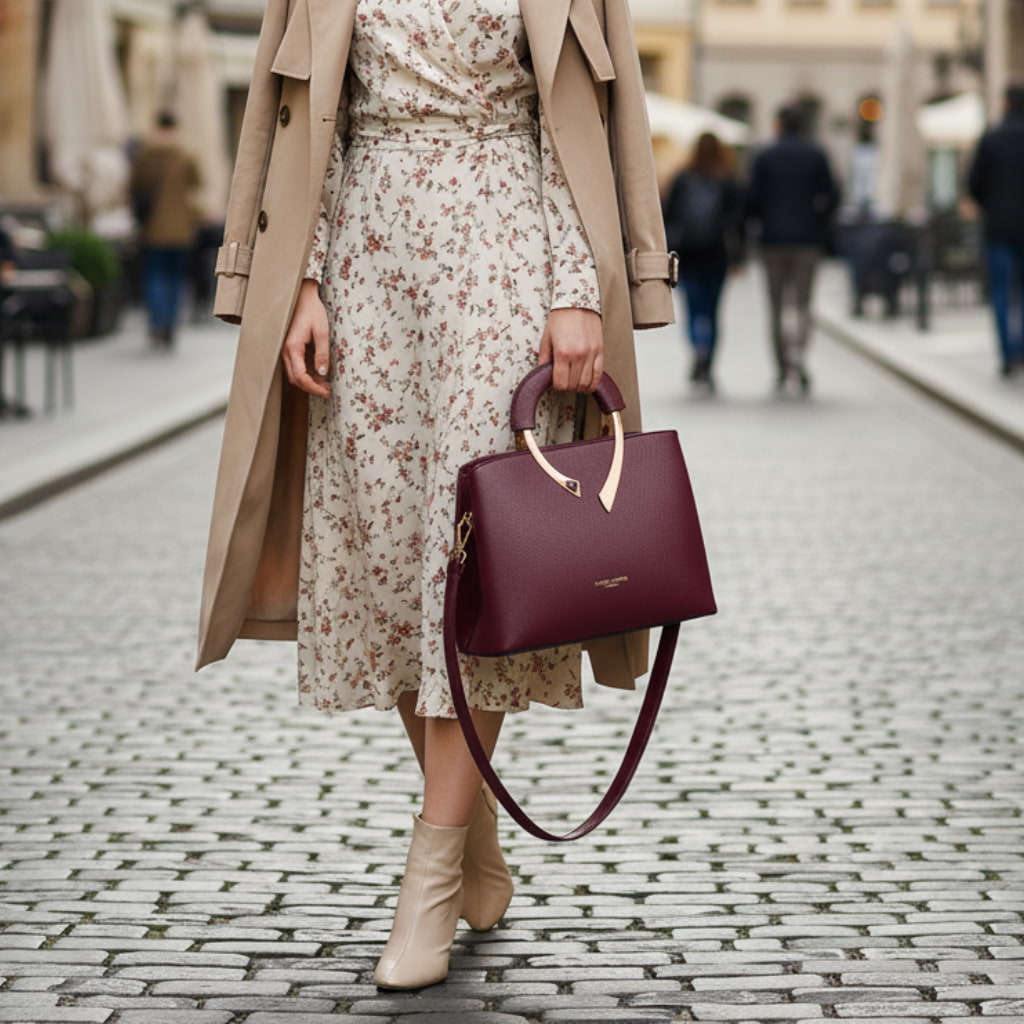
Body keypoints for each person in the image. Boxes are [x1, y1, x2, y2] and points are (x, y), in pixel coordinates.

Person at [196, 0, 675, 992]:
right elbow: (305, 122)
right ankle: (477, 838)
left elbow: (579, 122)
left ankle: (430, 870)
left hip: (507, 258)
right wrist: (300, 281)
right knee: (387, 556)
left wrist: (578, 286)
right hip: (366, 267)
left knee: (474, 566)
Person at [746, 103, 839, 394]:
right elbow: (834, 194)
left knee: (776, 305)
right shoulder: (816, 155)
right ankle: (798, 350)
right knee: (802, 302)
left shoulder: (764, 156)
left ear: (779, 124)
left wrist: (757, 224)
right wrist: (817, 218)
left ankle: (781, 365)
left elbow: (751, 199)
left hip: (772, 240)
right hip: (808, 240)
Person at [663, 132, 743, 392]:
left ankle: (698, 348)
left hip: (689, 253)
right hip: (717, 254)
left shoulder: (683, 178)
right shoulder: (727, 179)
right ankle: (707, 362)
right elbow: (738, 221)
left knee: (694, 309)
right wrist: (739, 256)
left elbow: (667, 216)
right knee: (712, 310)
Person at [130, 111, 200, 348]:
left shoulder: (145, 153)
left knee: (155, 275)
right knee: (176, 278)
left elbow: (133, 186)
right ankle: (170, 325)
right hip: (181, 228)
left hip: (152, 227)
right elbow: (197, 182)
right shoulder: (185, 153)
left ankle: (157, 323)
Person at [968, 83, 1024, 378]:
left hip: (999, 227)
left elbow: (973, 184)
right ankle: (1021, 348)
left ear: (1005, 104)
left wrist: (991, 204)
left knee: (1002, 291)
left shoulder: (991, 139)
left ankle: (1006, 352)